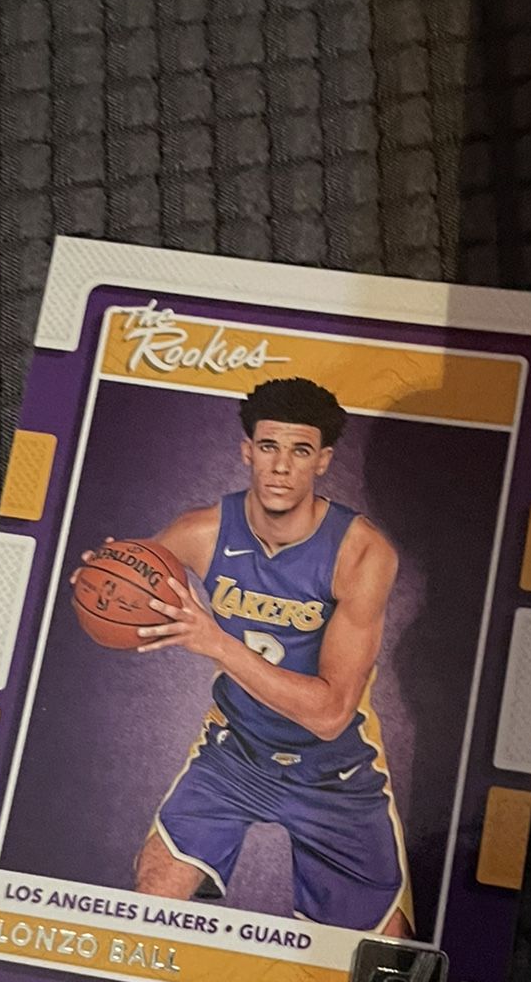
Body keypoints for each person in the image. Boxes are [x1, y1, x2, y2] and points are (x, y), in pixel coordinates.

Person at [80, 377, 412, 935]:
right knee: (152, 897)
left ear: (323, 460)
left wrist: (214, 641)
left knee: (383, 955)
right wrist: (99, 581)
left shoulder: (360, 553)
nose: (280, 466)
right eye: (268, 446)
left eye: (300, 450)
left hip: (334, 773)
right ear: (247, 451)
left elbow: (331, 714)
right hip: (236, 754)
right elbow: (131, 585)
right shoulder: (201, 532)